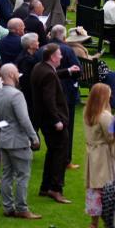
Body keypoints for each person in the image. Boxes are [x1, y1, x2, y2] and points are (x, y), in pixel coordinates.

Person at [0, 63, 41, 220]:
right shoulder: (16, 95)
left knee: (7, 175)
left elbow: (3, 120)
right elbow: (24, 120)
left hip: (4, 139)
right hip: (18, 141)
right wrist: (34, 137)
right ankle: (21, 208)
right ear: (13, 75)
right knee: (22, 175)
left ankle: (8, 207)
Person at [31, 43, 74, 203]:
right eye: (59, 54)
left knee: (53, 152)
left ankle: (45, 187)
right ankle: (56, 189)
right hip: (53, 121)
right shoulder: (48, 73)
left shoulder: (40, 67)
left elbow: (53, 74)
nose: (61, 57)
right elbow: (49, 100)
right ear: (52, 57)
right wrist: (57, 120)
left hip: (44, 119)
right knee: (59, 154)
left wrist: (68, 71)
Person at [84, 83, 115, 228]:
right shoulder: (104, 115)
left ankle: (94, 222)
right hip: (103, 155)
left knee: (94, 188)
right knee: (105, 187)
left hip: (92, 153)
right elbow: (111, 137)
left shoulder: (88, 111)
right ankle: (107, 221)